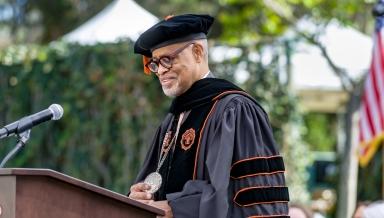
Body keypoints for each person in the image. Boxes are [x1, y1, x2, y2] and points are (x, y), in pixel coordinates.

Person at [128, 14, 289, 218]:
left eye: (167, 60)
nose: (160, 70)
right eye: (155, 63)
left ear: (197, 52)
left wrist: (175, 208)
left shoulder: (235, 110)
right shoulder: (173, 119)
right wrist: (138, 197)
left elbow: (250, 198)